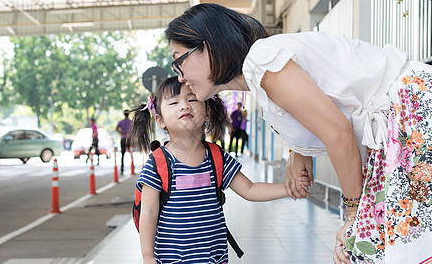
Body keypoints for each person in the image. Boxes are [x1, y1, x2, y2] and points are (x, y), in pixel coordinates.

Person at [164, 3, 432, 263]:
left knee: (368, 245)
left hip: (412, 116)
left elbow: (339, 133)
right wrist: (298, 151)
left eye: (180, 61)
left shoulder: (262, 62)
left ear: (208, 47)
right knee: (376, 247)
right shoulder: (260, 70)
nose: (180, 76)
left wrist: (353, 214)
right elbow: (317, 112)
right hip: (399, 127)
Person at [128, 76, 310, 263]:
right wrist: (148, 256)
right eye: (174, 102)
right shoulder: (158, 163)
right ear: (160, 120)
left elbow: (250, 189)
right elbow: (148, 213)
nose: (184, 106)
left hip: (213, 258)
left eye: (192, 99)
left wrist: (287, 188)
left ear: (207, 112)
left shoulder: (216, 156)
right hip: (172, 260)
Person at [116, 110, 131, 175]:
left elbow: (116, 128)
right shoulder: (131, 122)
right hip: (129, 139)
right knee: (131, 153)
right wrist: (128, 134)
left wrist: (122, 133)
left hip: (123, 139)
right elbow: (134, 129)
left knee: (122, 154)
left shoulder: (121, 122)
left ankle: (122, 169)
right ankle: (132, 167)